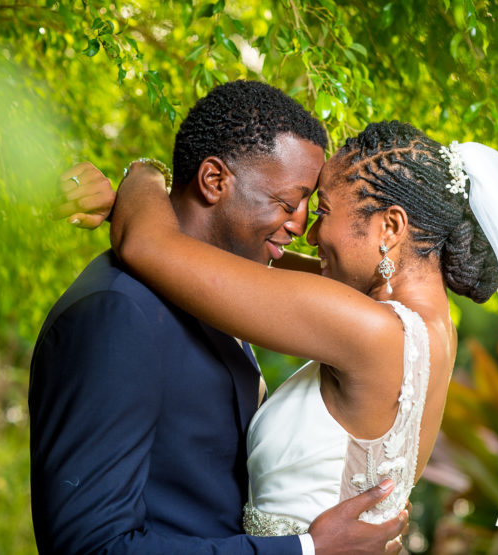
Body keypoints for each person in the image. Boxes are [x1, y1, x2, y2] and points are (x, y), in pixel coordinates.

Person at [99, 119, 498, 531]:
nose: (309, 234)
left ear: (390, 228)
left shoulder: (371, 333)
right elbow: (272, 262)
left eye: (325, 211)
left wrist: (142, 175)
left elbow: (148, 247)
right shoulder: (428, 328)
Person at [30, 81, 409, 554]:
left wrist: (142, 178)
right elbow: (91, 547)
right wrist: (304, 550)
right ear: (214, 181)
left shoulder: (218, 294)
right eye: (289, 203)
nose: (301, 228)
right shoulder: (118, 311)